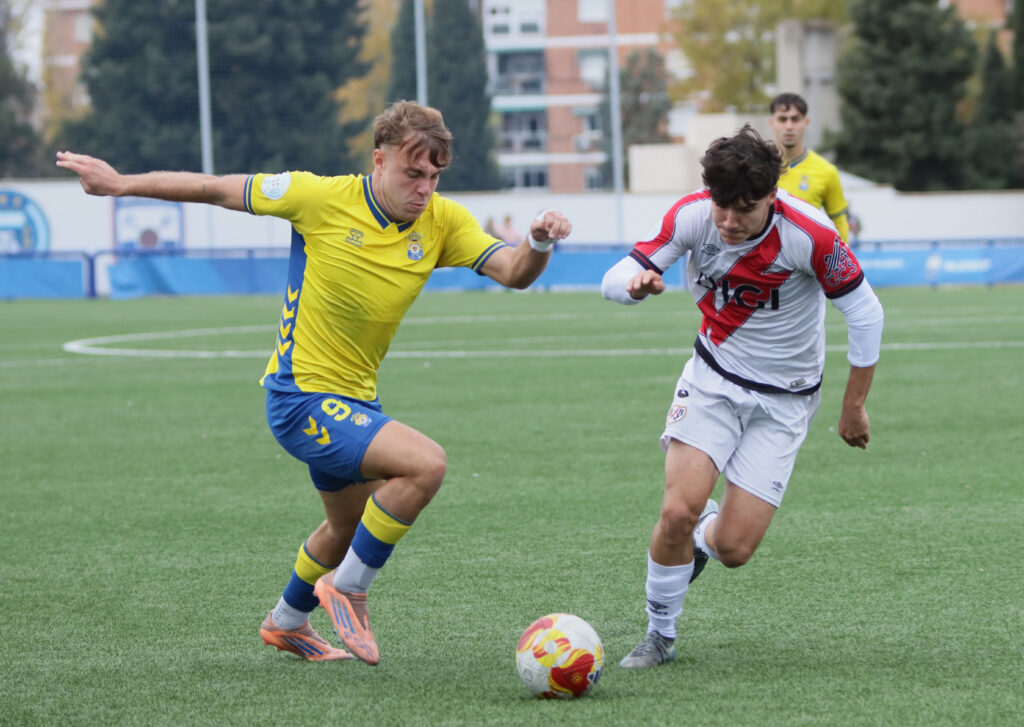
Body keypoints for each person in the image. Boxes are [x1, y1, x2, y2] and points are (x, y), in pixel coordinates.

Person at [56, 101, 572, 666]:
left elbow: (515, 272)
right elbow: (210, 187)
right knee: (425, 464)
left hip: (355, 402)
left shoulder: (442, 222)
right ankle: (348, 589)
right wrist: (121, 183)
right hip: (300, 399)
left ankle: (287, 621)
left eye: (434, 176)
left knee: (347, 526)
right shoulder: (318, 198)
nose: (424, 188)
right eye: (412, 172)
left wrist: (540, 239)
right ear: (379, 160)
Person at [601, 124, 883, 668]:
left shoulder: (812, 235)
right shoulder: (692, 215)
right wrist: (636, 287)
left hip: (786, 400)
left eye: (744, 210)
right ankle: (660, 634)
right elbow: (618, 277)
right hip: (712, 379)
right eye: (721, 207)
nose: (728, 222)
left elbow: (866, 314)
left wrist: (853, 407)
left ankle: (705, 542)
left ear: (772, 198)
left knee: (733, 550)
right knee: (676, 510)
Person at [768, 92, 851, 245]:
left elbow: (839, 222)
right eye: (782, 119)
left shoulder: (826, 171)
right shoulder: (759, 167)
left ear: (806, 123)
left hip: (806, 263)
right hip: (765, 263)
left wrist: (841, 263)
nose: (789, 126)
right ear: (771, 122)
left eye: (795, 119)